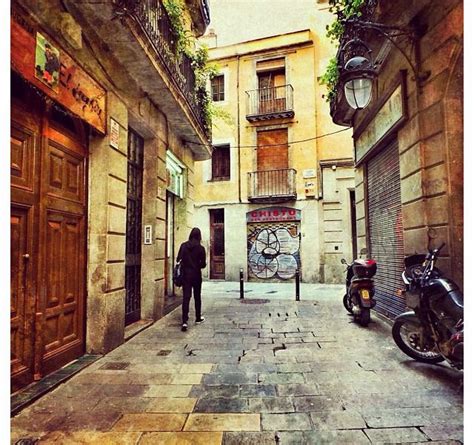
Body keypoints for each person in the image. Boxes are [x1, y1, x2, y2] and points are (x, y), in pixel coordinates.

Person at [176, 227, 207, 332]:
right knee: (197, 297)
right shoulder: (201, 248)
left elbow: (178, 259)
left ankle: (184, 321)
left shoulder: (183, 246)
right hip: (196, 275)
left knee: (186, 297)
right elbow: (203, 265)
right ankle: (198, 318)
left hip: (186, 275)